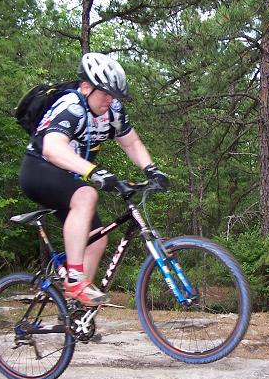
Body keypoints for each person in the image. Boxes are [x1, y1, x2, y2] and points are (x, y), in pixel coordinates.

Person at [19, 52, 168, 306]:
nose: (109, 100)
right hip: (38, 170)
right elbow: (52, 149)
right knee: (87, 194)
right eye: (105, 94)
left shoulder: (113, 111)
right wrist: (93, 171)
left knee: (97, 238)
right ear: (86, 86)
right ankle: (75, 280)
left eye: (113, 95)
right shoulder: (71, 106)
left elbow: (131, 142)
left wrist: (151, 169)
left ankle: (74, 311)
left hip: (65, 177)